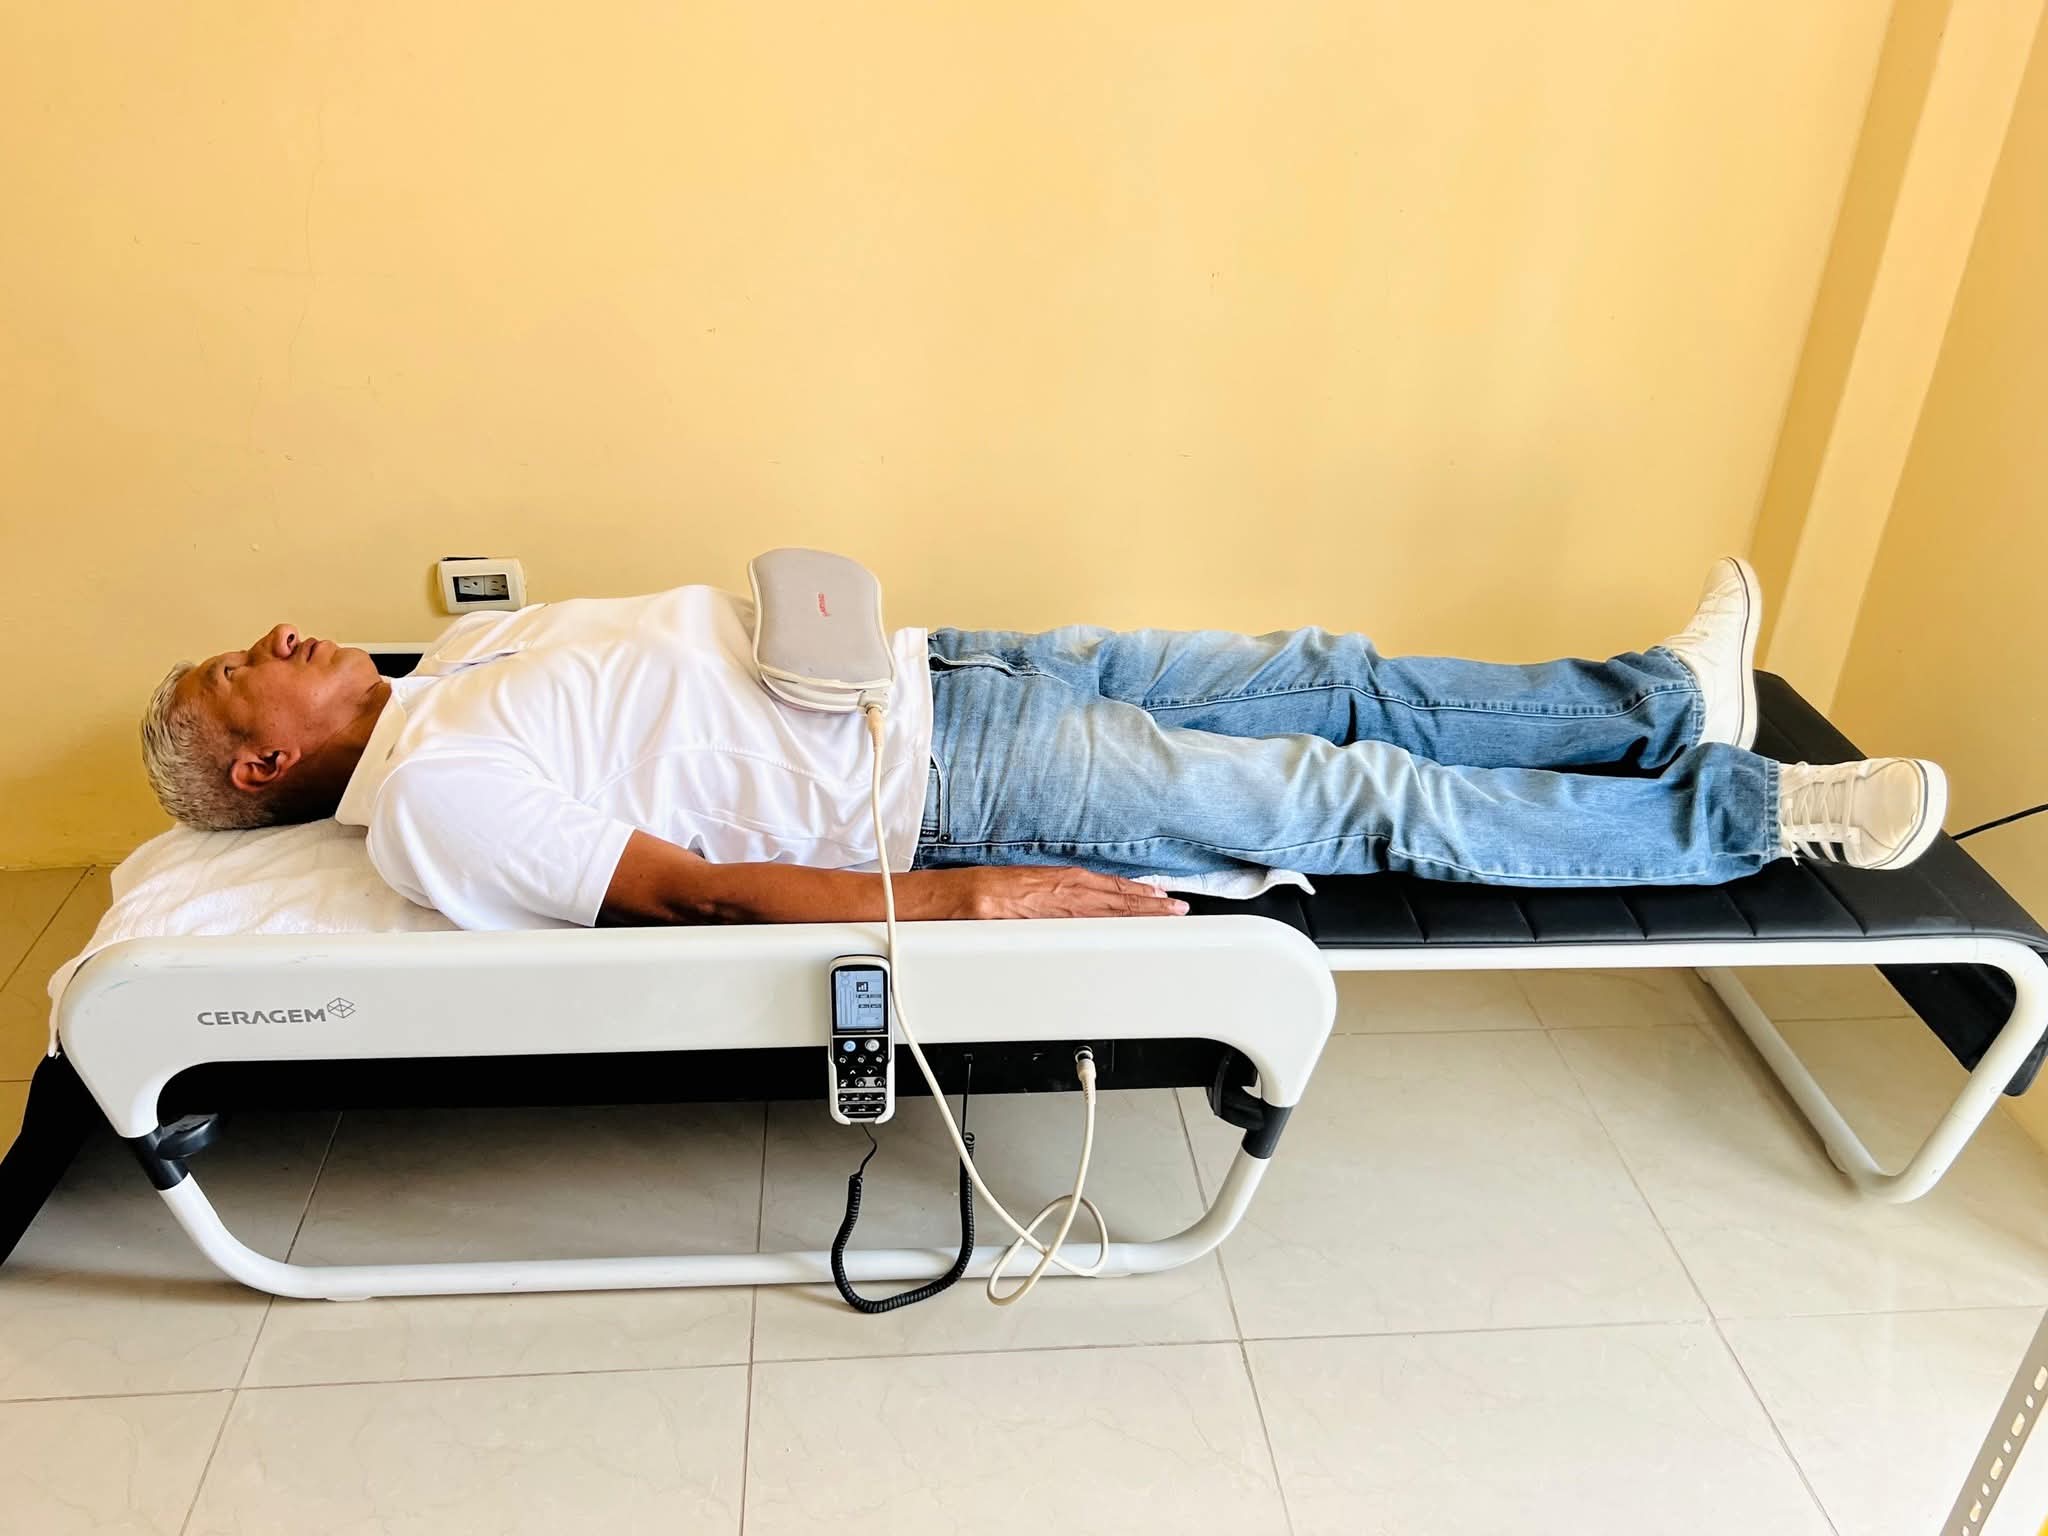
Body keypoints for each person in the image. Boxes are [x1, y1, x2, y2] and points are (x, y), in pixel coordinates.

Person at [137, 558, 1946, 930]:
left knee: (1336, 676)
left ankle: (1655, 704)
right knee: (1354, 793)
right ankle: (1763, 814)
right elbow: (686, 892)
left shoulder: (450, 660)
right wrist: (955, 899)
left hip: (948, 667)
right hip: (956, 784)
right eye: (243, 675)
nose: (279, 636)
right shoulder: (432, 803)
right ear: (260, 769)